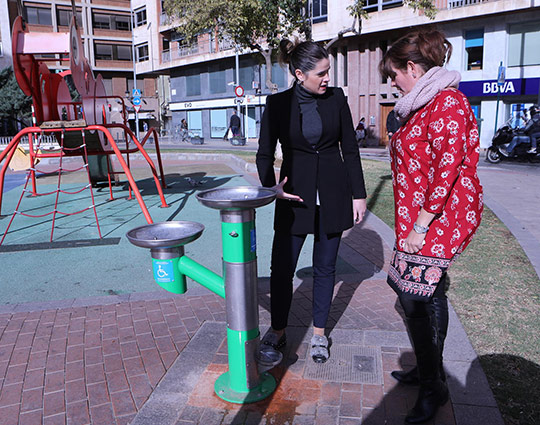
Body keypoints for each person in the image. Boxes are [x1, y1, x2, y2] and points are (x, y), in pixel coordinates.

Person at [379, 30, 483, 424]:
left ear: (412, 67)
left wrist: (421, 225)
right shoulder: (419, 104)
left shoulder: (448, 103)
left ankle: (433, 386)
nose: (391, 82)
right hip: (417, 218)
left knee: (418, 297)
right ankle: (428, 373)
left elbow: (447, 170)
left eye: (394, 74)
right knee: (416, 294)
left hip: (438, 217)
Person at [256, 39, 367, 365]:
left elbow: (350, 148)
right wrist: (270, 188)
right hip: (293, 199)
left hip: (333, 197)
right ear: (299, 73)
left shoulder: (336, 99)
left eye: (328, 72)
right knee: (281, 270)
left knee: (325, 268)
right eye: (321, 73)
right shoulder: (277, 104)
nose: (327, 79)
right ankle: (278, 331)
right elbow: (264, 153)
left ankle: (319, 334)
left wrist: (358, 195)